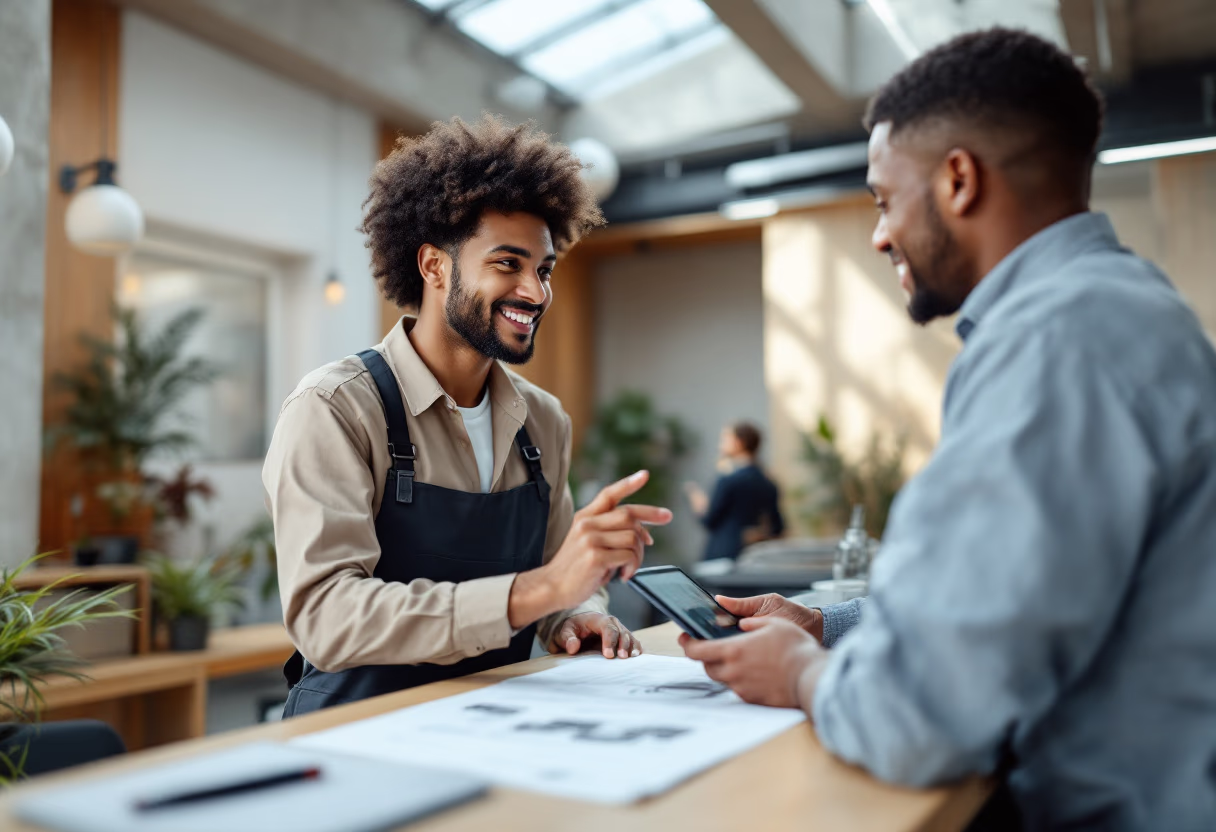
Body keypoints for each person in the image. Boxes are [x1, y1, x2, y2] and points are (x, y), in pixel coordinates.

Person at [680, 28, 1216, 830]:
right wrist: (825, 623)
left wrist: (799, 673)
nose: (880, 232)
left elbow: (916, 720)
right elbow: (1025, 589)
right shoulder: (1124, 312)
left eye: (883, 198)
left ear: (959, 180)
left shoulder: (1053, 344)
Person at [264, 116, 672, 716]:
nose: (535, 292)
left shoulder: (544, 420)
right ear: (433, 267)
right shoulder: (336, 409)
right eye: (508, 263)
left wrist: (578, 613)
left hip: (489, 724)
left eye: (544, 269)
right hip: (354, 733)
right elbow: (327, 617)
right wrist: (540, 592)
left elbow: (555, 579)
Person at [684, 422, 784, 560]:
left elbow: (709, 520)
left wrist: (696, 497)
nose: (720, 445)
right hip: (751, 557)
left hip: (721, 555)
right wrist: (759, 534)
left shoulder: (728, 479)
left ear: (739, 442)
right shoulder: (768, 482)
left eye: (725, 439)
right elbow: (777, 527)